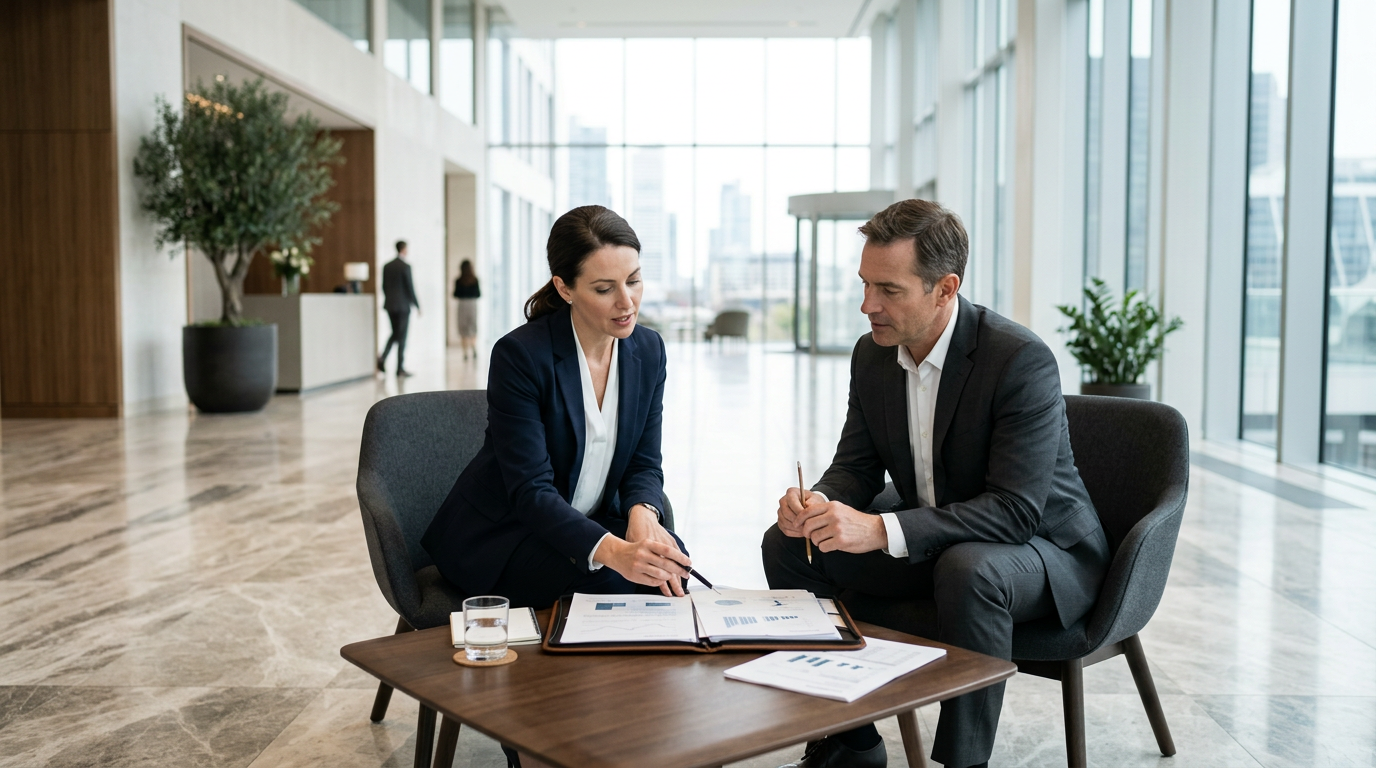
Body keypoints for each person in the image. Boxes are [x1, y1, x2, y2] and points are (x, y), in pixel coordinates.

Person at [762, 199, 1110, 768]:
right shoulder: (872, 355)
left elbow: (1016, 511)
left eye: (889, 290)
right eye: (865, 284)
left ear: (945, 289)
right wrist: (820, 503)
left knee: (970, 569)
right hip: (943, 537)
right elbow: (856, 464)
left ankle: (962, 762)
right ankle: (852, 739)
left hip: (1045, 551)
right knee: (789, 546)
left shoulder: (1018, 359)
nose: (866, 304)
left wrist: (881, 528)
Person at [423, 204, 691, 614]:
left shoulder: (648, 351)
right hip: (508, 535)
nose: (627, 302)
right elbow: (531, 492)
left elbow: (644, 462)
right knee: (611, 581)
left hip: (587, 524)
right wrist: (615, 552)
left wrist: (643, 513)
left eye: (634, 281)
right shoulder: (521, 356)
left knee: (671, 564)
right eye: (604, 289)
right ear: (565, 288)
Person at [379, 240, 420, 376]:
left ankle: (383, 358)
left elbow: (384, 287)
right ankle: (399, 368)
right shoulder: (405, 266)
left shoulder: (387, 266)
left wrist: (390, 299)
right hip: (402, 307)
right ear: (403, 249)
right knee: (401, 336)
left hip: (390, 305)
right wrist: (417, 305)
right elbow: (410, 287)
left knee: (395, 333)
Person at [453, 259, 482, 360]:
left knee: (463, 328)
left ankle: (465, 352)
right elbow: (478, 294)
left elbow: (455, 294)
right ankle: (473, 347)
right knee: (473, 327)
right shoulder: (475, 280)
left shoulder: (458, 280)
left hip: (462, 304)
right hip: (472, 304)